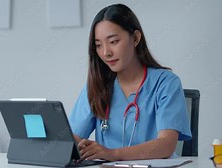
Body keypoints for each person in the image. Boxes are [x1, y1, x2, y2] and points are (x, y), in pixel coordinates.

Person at [69, 4, 191, 161]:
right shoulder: (97, 86)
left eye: (113, 41)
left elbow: (166, 145)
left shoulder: (165, 83)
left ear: (135, 38)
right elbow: (74, 139)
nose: (106, 52)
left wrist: (112, 154)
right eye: (98, 45)